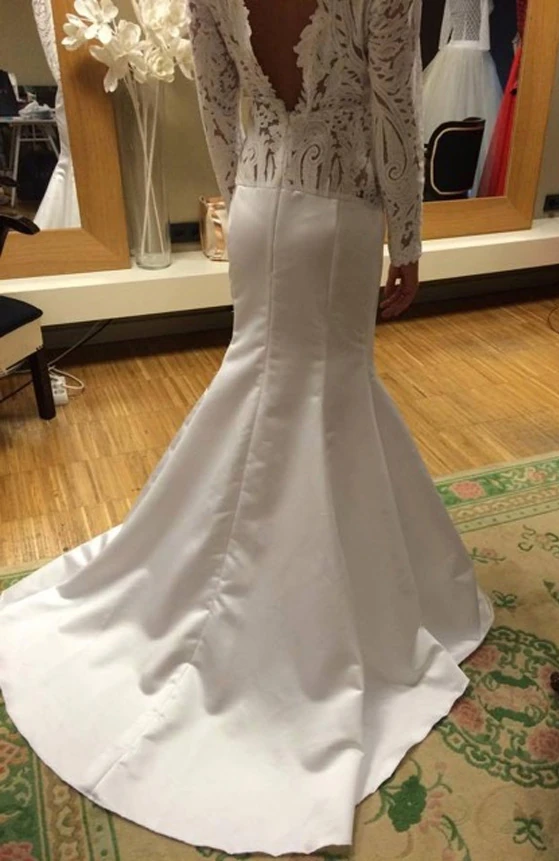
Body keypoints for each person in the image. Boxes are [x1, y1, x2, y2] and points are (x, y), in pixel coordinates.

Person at [0, 0, 492, 856]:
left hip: (261, 206)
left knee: (267, 384)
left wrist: (244, 197)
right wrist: (409, 241)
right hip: (341, 213)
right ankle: (308, 614)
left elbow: (216, 102)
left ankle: (208, 573)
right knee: (329, 392)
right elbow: (394, 109)